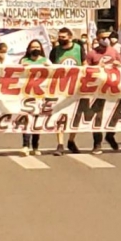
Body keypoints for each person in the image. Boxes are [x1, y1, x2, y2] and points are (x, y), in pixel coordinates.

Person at [49, 27, 84, 156]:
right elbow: (51, 68)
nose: (61, 39)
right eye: (60, 37)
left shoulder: (78, 48)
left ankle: (71, 140)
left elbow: (84, 64)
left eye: (63, 37)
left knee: (76, 116)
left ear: (70, 37)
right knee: (60, 117)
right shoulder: (55, 51)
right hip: (60, 88)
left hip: (76, 88)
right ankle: (60, 144)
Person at [87, 31, 121, 154]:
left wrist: (118, 64)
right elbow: (85, 69)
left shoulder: (114, 52)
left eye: (108, 37)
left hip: (112, 89)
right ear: (98, 38)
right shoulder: (92, 53)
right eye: (103, 38)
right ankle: (97, 143)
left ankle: (110, 135)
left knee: (114, 115)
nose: (106, 40)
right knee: (97, 117)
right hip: (97, 90)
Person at [19, 40, 50, 156]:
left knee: (37, 120)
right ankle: (25, 145)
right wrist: (21, 67)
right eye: (32, 47)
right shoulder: (24, 61)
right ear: (29, 49)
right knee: (27, 120)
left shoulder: (46, 61)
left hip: (40, 95)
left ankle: (35, 146)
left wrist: (49, 67)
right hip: (27, 95)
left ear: (41, 48)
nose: (35, 49)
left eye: (37, 47)